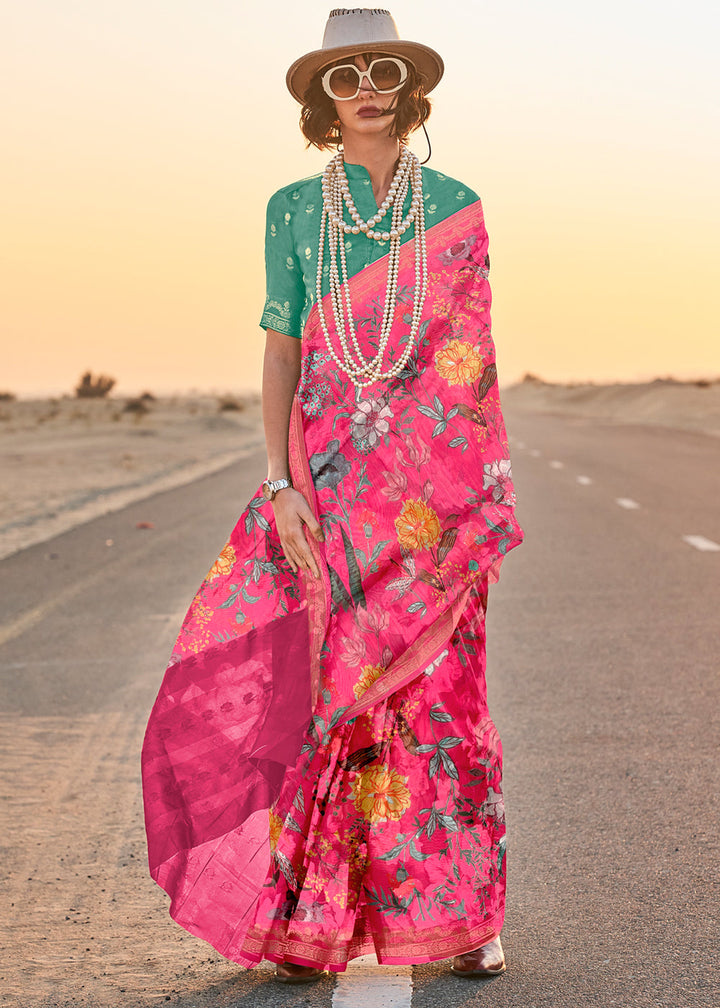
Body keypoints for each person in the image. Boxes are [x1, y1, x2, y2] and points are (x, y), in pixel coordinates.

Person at [142, 7, 523, 985]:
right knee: (322, 705)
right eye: (345, 71)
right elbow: (280, 348)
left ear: (407, 84)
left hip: (431, 500)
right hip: (328, 487)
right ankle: (308, 919)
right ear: (322, 93)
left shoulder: (459, 205)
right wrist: (278, 484)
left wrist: (455, 502)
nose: (365, 85)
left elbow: (467, 366)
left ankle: (463, 919)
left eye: (382, 67)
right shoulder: (291, 210)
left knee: (444, 701)